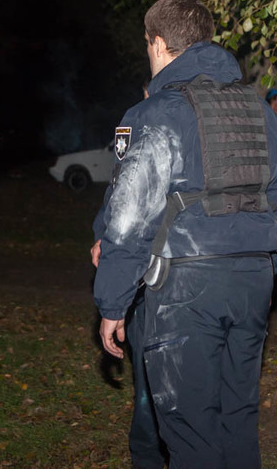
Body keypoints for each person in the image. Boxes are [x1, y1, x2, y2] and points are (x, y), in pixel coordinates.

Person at [94, 0, 277, 468]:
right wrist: (263, 267)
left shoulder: (155, 113)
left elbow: (128, 218)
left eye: (147, 44)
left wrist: (113, 302)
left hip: (184, 290)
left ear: (158, 43)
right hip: (251, 284)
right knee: (237, 421)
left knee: (190, 433)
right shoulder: (259, 111)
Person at [90, 79, 166, 469]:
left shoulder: (179, 130)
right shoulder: (137, 127)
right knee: (146, 378)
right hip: (141, 279)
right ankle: (147, 455)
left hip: (171, 276)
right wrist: (102, 235)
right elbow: (119, 193)